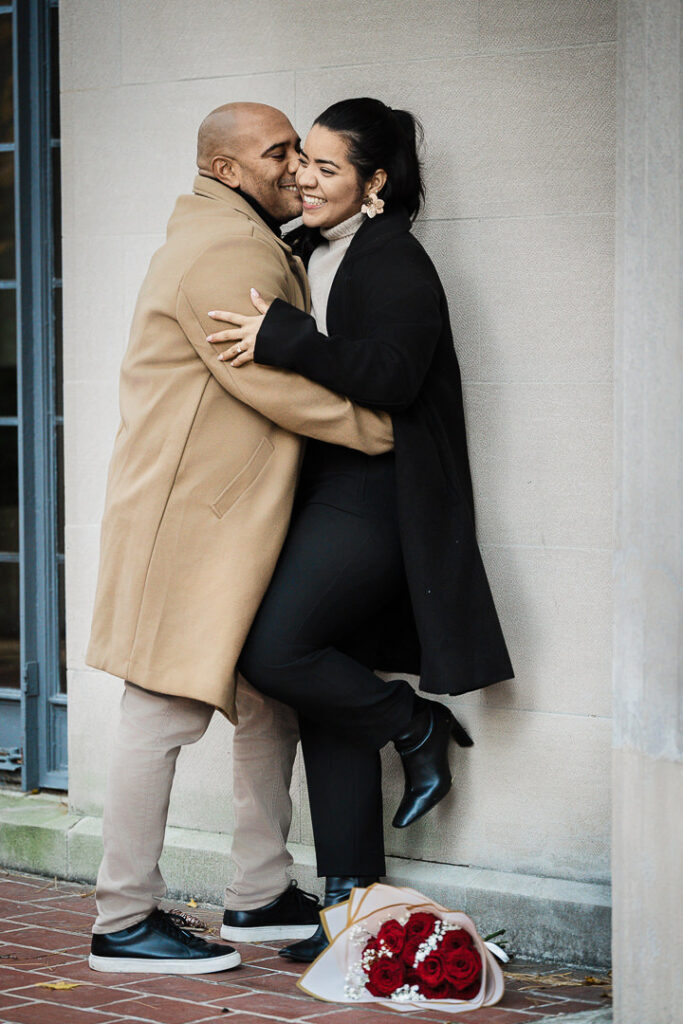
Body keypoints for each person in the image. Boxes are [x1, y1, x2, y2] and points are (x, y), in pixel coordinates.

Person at [85, 101, 394, 975]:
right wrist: (381, 430)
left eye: (301, 150)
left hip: (225, 519)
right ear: (225, 170)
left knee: (265, 698)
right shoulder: (227, 247)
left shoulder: (241, 235)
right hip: (189, 520)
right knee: (162, 707)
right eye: (277, 152)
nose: (296, 165)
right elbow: (265, 379)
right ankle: (122, 918)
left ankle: (259, 892)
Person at [206, 97, 514, 963]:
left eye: (327, 167)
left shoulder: (394, 259)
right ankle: (351, 901)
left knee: (276, 650)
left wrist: (287, 338)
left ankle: (414, 725)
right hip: (321, 489)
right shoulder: (307, 248)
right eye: (301, 159)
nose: (303, 177)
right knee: (320, 675)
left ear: (374, 183)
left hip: (379, 493)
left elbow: (392, 374)